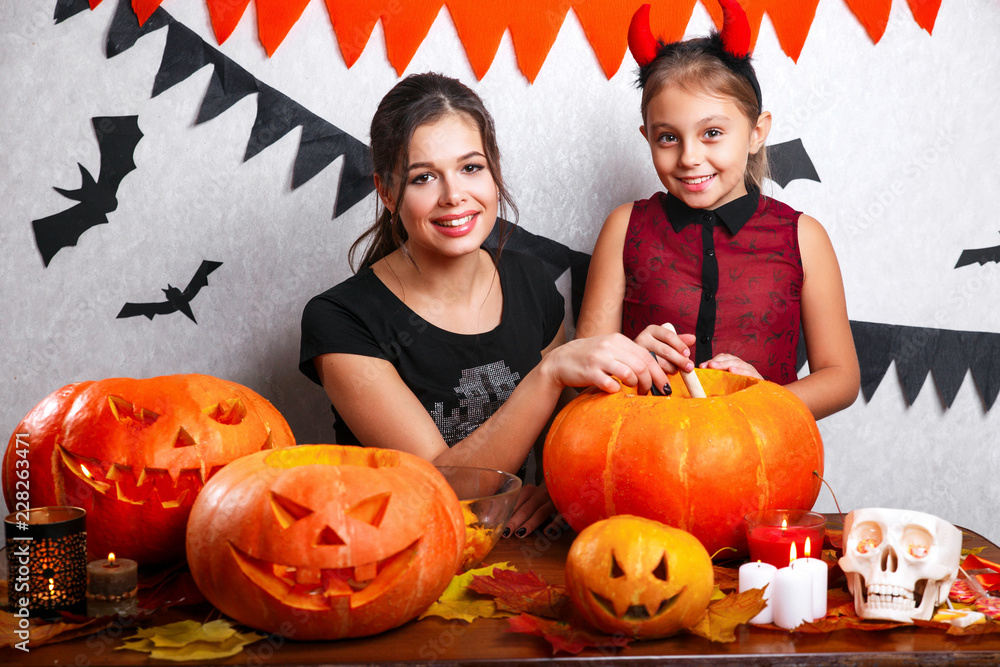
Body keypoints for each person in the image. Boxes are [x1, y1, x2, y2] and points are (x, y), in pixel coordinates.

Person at [300, 73, 668, 537]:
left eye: (471, 168)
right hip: (398, 556)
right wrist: (551, 370)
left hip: (515, 551)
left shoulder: (531, 280)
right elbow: (439, 486)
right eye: (424, 177)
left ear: (494, 171)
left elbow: (571, 442)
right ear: (387, 192)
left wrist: (634, 374)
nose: (454, 195)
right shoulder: (340, 319)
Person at [578, 2, 859, 419]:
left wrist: (761, 400)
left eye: (712, 133)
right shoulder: (625, 228)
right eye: (668, 138)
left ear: (756, 132)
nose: (690, 157)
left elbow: (841, 378)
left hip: (764, 458)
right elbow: (580, 381)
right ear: (647, 138)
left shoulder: (803, 237)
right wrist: (629, 360)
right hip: (648, 455)